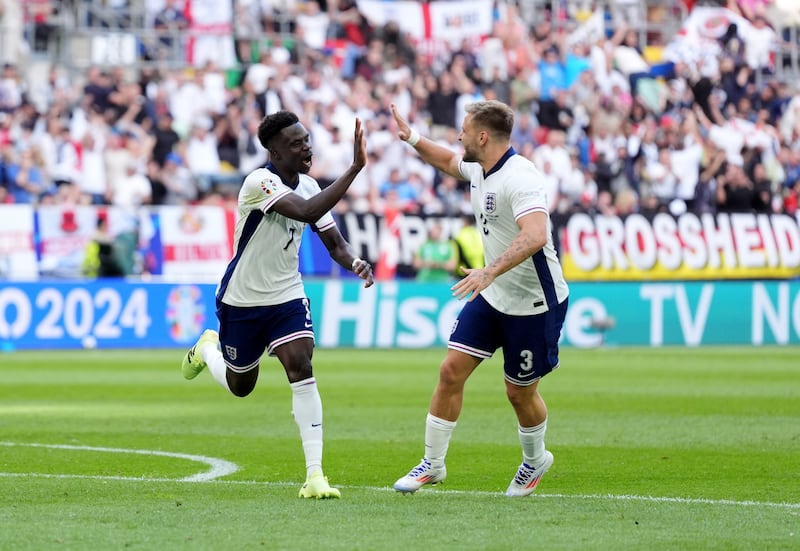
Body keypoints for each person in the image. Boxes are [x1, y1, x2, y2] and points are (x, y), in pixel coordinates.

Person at [181, 111, 374, 499]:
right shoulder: (259, 182)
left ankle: (315, 476)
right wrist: (354, 169)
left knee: (301, 366)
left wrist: (353, 261)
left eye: (307, 139)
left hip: (286, 295)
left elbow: (334, 242)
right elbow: (306, 212)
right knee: (241, 386)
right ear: (274, 151)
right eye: (296, 143)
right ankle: (207, 347)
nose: (307, 147)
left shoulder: (309, 184)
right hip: (243, 300)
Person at [390, 100, 570, 497]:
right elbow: (448, 160)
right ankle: (432, 465)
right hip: (493, 295)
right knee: (450, 370)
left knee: (520, 393)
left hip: (535, 303)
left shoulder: (520, 177)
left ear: (483, 137)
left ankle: (535, 460)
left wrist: (489, 270)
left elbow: (536, 233)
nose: (459, 135)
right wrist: (413, 138)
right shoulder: (478, 167)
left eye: (465, 130)